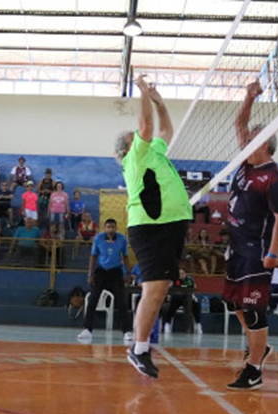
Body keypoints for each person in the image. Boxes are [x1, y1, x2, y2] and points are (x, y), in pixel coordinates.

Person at [115, 76, 192, 378]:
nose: (140, 136)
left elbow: (166, 130)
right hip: (151, 227)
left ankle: (142, 347)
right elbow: (146, 127)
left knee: (160, 290)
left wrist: (160, 103)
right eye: (135, 136)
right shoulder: (135, 157)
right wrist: (144, 94)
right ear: (128, 146)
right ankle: (140, 349)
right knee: (154, 289)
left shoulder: (155, 152)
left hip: (170, 226)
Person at [224, 80, 278, 390]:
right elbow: (239, 122)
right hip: (236, 248)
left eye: (251, 140)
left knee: (252, 309)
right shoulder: (246, 162)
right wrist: (248, 96)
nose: (245, 142)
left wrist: (273, 255)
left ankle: (254, 368)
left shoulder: (273, 178)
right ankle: (258, 347)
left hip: (256, 251)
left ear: (263, 143)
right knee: (234, 304)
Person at [77, 218, 133, 343]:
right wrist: (90, 274)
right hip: (101, 271)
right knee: (93, 300)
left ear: (116, 228)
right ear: (105, 228)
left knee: (122, 302)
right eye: (108, 227)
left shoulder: (122, 239)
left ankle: (127, 331)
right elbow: (93, 256)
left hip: (116, 271)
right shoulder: (98, 239)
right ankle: (87, 329)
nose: (110, 229)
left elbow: (125, 257)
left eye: (113, 227)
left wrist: (128, 273)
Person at [161, 268, 202, 334]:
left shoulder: (189, 280)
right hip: (177, 298)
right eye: (180, 274)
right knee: (170, 306)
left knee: (196, 305)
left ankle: (198, 324)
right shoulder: (175, 280)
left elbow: (195, 287)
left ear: (185, 274)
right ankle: (167, 323)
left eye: (183, 273)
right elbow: (168, 288)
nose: (181, 275)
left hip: (188, 299)